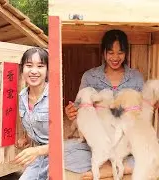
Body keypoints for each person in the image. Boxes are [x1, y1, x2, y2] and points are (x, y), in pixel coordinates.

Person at [63, 29, 145, 179]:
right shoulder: (89, 76)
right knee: (62, 152)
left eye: (120, 52)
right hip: (97, 140)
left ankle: (110, 167)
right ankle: (117, 166)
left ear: (126, 53)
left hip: (125, 140)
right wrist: (72, 113)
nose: (115, 57)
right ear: (103, 53)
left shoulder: (136, 77)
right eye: (110, 52)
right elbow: (78, 108)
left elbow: (142, 111)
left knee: (152, 148)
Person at [11, 47, 49, 180]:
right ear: (22, 69)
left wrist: (38, 151)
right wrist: (26, 138)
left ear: (47, 70)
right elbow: (33, 121)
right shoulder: (22, 97)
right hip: (39, 157)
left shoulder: (56, 96)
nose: (34, 71)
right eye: (28, 65)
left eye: (40, 66)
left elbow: (67, 140)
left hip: (62, 157)